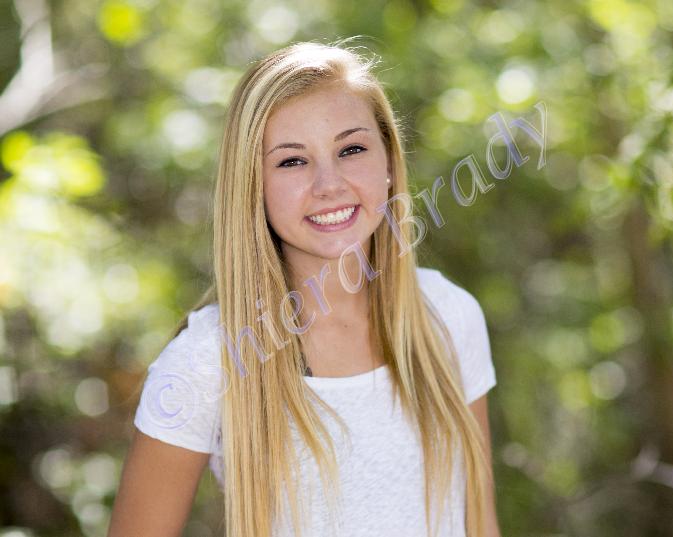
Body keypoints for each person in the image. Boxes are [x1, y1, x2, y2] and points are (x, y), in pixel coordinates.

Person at [108, 38, 500, 537]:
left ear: (388, 163)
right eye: (292, 161)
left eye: (351, 149)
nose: (329, 184)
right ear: (252, 185)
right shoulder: (207, 362)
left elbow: (480, 523)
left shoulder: (449, 316)